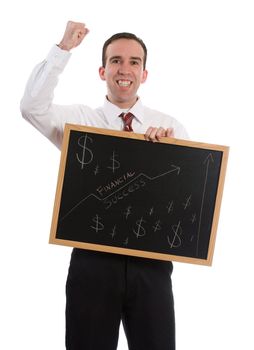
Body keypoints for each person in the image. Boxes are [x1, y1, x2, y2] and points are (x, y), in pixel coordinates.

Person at [21, 21, 188, 350]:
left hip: (151, 266)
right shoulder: (80, 122)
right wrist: (63, 49)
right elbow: (31, 108)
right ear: (102, 71)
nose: (124, 69)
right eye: (115, 61)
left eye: (134, 62)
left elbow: (186, 201)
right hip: (93, 262)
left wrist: (171, 160)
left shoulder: (170, 127)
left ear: (144, 74)